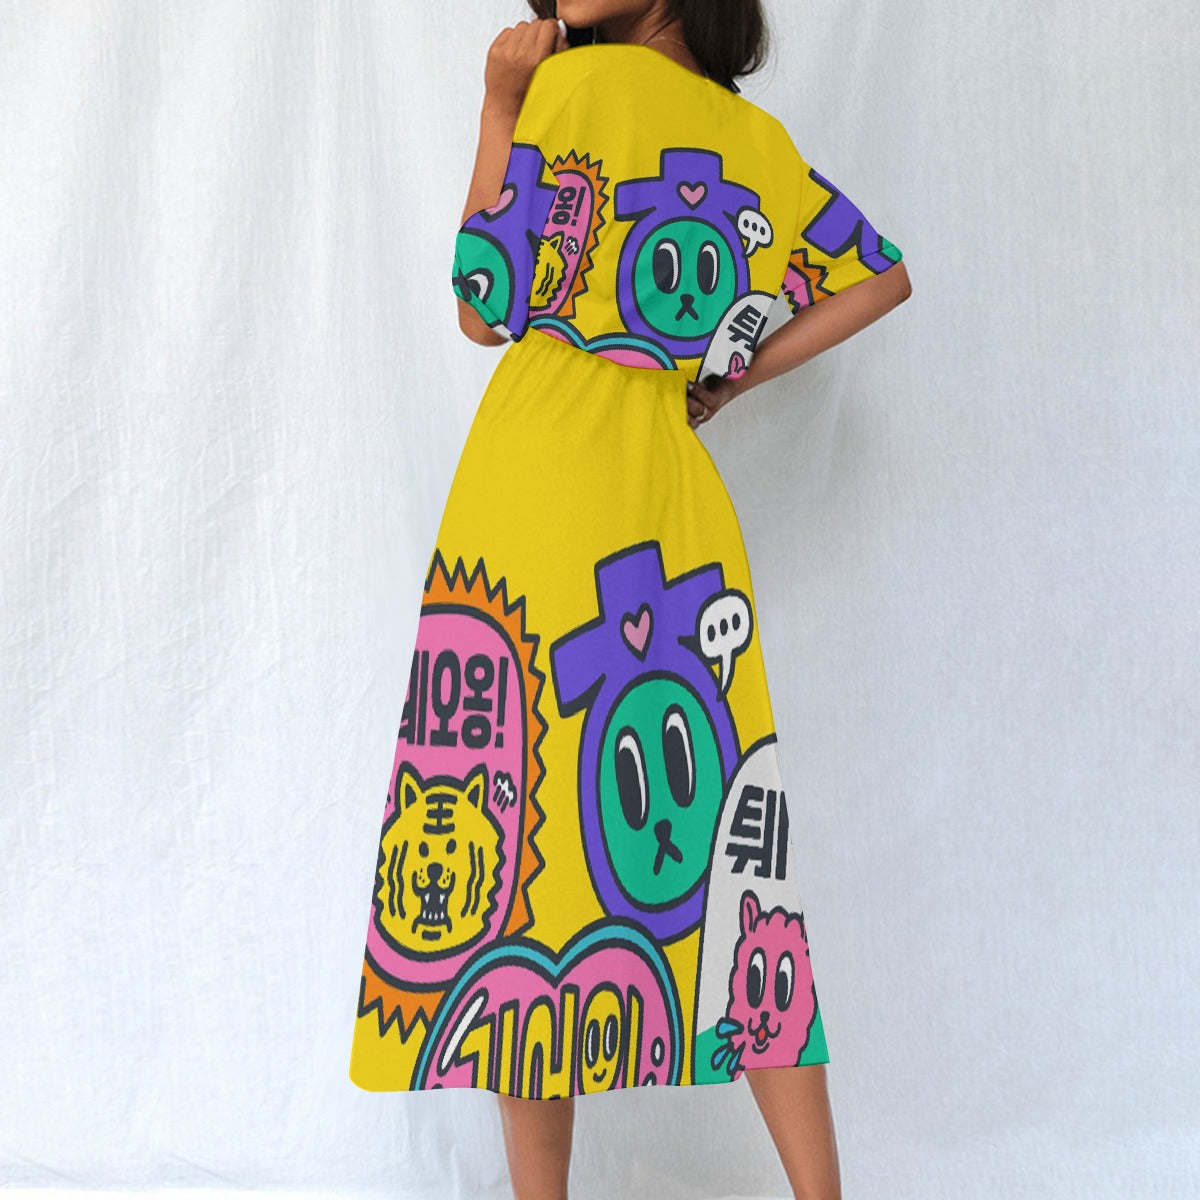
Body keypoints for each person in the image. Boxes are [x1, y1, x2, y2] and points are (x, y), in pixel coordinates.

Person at [348, 4, 911, 1198]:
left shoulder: (566, 94)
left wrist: (500, 105)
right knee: (735, 874)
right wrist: (728, 379)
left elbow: (482, 307)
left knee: (520, 870)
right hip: (672, 505)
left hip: (533, 490)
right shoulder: (754, 143)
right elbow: (882, 276)